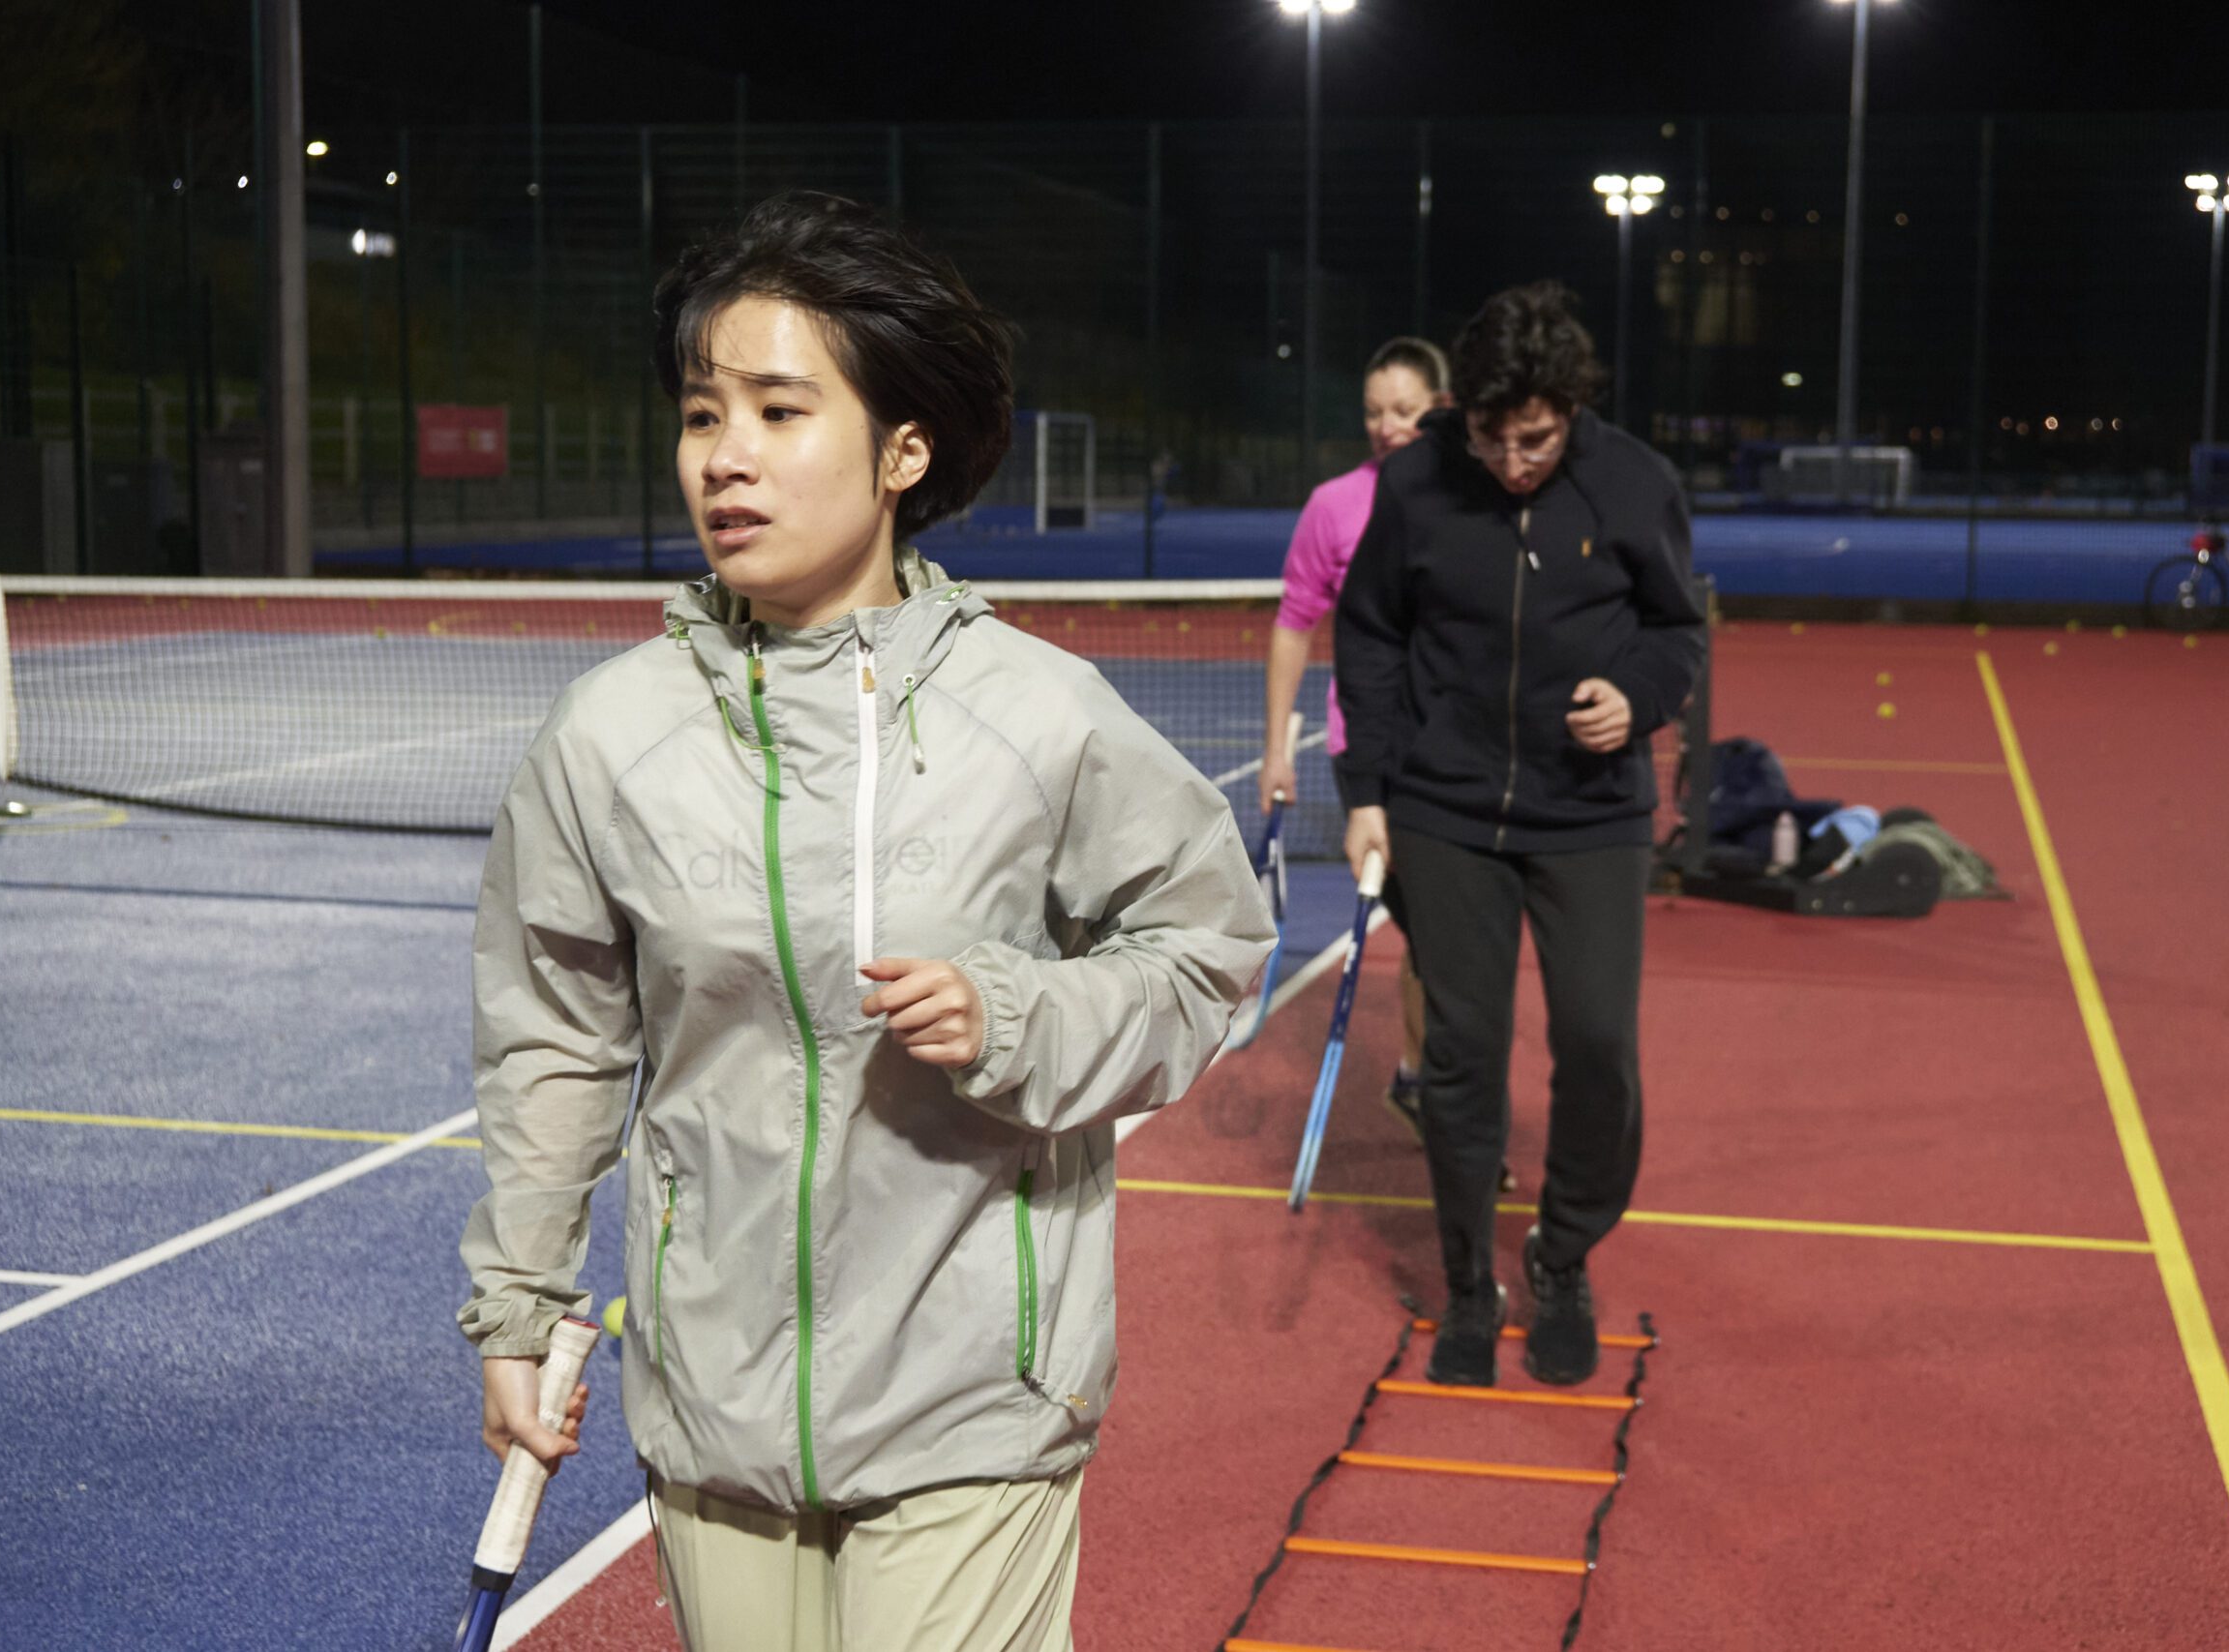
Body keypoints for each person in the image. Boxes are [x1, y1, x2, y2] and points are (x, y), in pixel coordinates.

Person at [457, 191, 1274, 1652]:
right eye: (706, 413)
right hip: (713, 1402)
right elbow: (553, 1039)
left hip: (977, 1393)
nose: (729, 456)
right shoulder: (606, 737)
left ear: (902, 452)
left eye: (781, 410)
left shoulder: (1035, 712)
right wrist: (519, 1309)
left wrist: (1020, 1012)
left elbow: (1208, 945)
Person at [1333, 281, 1706, 1390]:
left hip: (1591, 813)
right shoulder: (1415, 482)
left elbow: (1676, 634)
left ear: (1572, 409)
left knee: (1596, 1045)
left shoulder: (1636, 482)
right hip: (1445, 812)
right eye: (1491, 439)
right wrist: (1365, 791)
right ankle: (1464, 1283)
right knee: (1461, 1055)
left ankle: (1560, 1254)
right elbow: (1370, 637)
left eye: (1534, 440)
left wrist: (1633, 698)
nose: (1510, 463)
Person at [1260, 338, 1487, 1163]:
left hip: (1459, 749)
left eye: (1405, 410)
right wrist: (1276, 748)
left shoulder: (1476, 495)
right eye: (1373, 411)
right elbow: (1295, 624)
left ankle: (1424, 1073)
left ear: (1442, 404)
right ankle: (1431, 1086)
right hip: (1373, 758)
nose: (1386, 426)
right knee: (1432, 930)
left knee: (1450, 938)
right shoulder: (1334, 505)